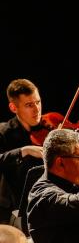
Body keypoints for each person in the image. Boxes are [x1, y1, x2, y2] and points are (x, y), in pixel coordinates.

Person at [0, 79, 45, 225]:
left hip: (47, 201)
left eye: (38, 102)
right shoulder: (3, 132)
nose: (37, 110)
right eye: (29, 105)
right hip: (15, 210)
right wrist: (23, 150)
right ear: (13, 108)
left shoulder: (49, 128)